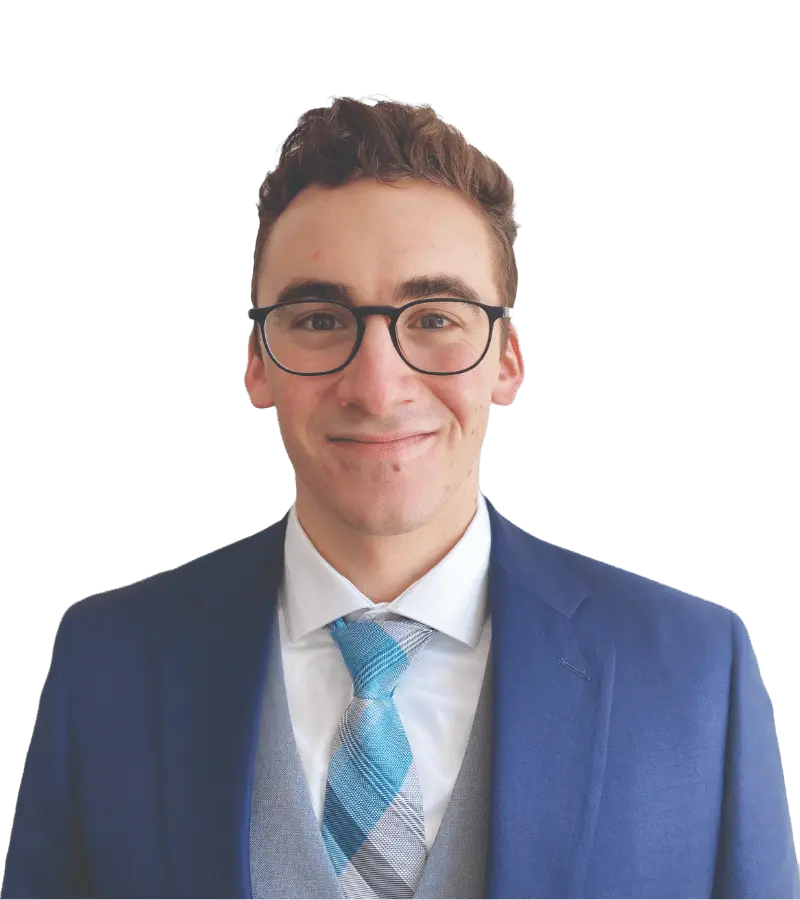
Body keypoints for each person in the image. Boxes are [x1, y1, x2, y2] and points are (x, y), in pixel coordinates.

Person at [2, 92, 797, 900]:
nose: (378, 387)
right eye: (319, 319)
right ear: (256, 362)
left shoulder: (695, 669)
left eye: (435, 318)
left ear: (507, 360)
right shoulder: (107, 661)